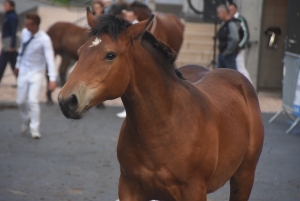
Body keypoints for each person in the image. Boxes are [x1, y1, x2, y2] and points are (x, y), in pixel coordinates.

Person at [14, 13, 56, 139]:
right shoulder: (25, 33)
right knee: (20, 101)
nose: (25, 26)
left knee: (32, 100)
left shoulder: (45, 39)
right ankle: (26, 118)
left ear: (35, 25)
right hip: (24, 70)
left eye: (27, 24)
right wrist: (17, 64)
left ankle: (35, 128)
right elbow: (21, 50)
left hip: (37, 72)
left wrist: (52, 79)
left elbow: (50, 59)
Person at [116, 8, 138, 119]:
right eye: (126, 16)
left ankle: (130, 111)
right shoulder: (124, 28)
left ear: (135, 17)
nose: (127, 18)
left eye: (129, 16)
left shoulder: (137, 29)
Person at [229, 3, 252, 83]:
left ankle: (249, 85)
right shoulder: (229, 20)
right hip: (231, 49)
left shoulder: (240, 19)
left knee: (240, 67)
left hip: (239, 49)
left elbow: (246, 34)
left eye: (232, 10)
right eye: (229, 10)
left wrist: (240, 46)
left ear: (236, 9)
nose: (230, 11)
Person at [216, 4, 240, 70]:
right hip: (223, 54)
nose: (218, 15)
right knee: (218, 75)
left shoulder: (231, 23)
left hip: (229, 55)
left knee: (232, 76)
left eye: (219, 13)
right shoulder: (225, 23)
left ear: (224, 12)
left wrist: (227, 51)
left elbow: (235, 39)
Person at [0, 0, 18, 83]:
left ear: (12, 7)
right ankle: (20, 80)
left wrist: (12, 45)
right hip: (7, 41)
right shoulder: (9, 15)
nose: (5, 7)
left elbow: (13, 31)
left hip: (9, 42)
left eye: (6, 5)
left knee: (3, 61)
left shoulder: (12, 17)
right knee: (13, 62)